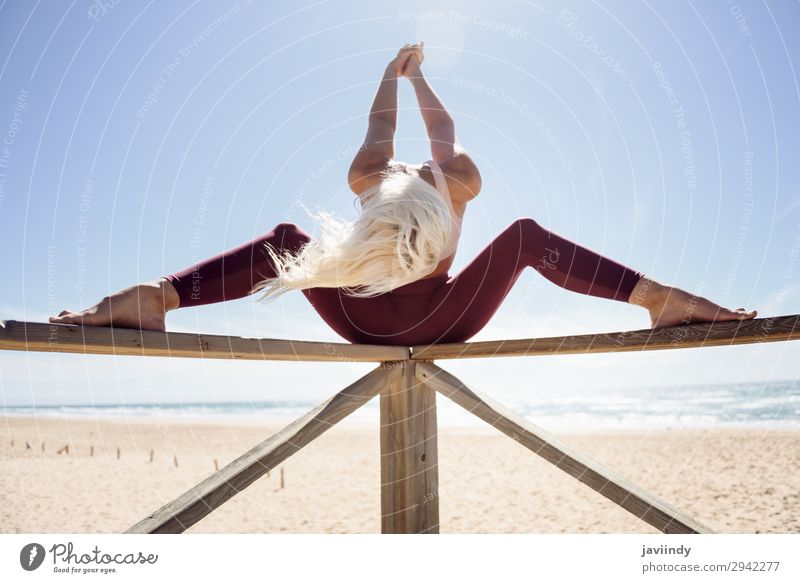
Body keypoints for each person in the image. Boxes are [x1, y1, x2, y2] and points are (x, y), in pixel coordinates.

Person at [49, 43, 757, 345]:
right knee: (529, 237)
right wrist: (419, 78)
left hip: (365, 325)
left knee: (286, 241)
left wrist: (390, 73)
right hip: (448, 319)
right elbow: (441, 132)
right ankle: (657, 300)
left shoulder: (368, 183)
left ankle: (159, 296)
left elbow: (378, 129)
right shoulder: (456, 182)